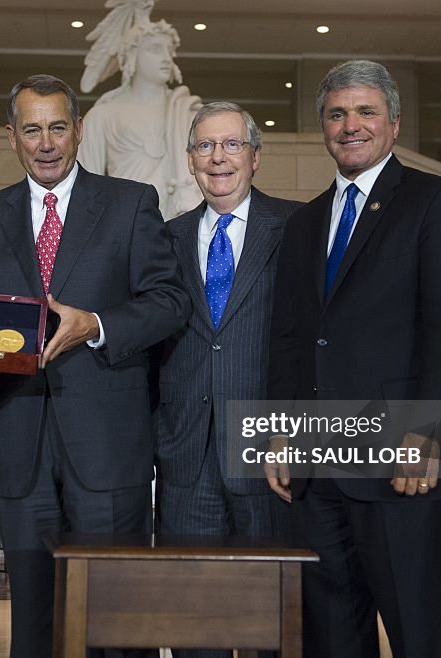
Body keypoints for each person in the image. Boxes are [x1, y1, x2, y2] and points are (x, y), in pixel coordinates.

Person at [0, 73, 189, 657]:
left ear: (79, 130)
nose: (47, 142)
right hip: (20, 442)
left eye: (58, 127)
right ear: (12, 137)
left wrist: (97, 326)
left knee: (112, 616)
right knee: (33, 620)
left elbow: (168, 301)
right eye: (32, 129)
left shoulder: (131, 203)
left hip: (108, 445)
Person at [264, 60, 441, 658]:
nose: (350, 125)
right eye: (337, 114)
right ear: (323, 128)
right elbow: (288, 340)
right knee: (330, 638)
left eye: (365, 112)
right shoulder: (305, 222)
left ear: (394, 123)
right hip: (317, 466)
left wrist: (428, 432)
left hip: (402, 463)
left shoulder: (434, 200)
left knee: (419, 632)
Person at [155, 101, 299, 575]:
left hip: (269, 455)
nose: (218, 157)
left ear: (255, 156)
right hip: (185, 460)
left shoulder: (299, 229)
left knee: (270, 612)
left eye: (232, 144)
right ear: (191, 159)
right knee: (192, 613)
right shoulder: (163, 239)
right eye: (205, 145)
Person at [79, 20, 203, 219]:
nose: (166, 57)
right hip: (124, 225)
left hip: (179, 221)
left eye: (169, 50)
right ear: (132, 55)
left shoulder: (188, 112)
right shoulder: (103, 115)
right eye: (155, 49)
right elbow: (85, 190)